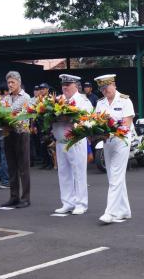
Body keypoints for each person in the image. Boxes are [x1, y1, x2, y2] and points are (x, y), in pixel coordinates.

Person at [94, 74, 134, 224]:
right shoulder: (100, 103)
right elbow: (97, 122)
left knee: (116, 176)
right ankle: (124, 211)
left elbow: (126, 124)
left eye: (107, 87)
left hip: (122, 141)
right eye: (102, 88)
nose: (105, 91)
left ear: (114, 85)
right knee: (113, 177)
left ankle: (110, 212)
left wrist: (111, 131)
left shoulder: (125, 100)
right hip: (107, 142)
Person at [52, 74, 93, 215]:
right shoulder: (58, 99)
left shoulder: (82, 100)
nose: (65, 87)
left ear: (76, 85)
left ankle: (81, 203)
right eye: (63, 85)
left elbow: (87, 118)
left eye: (68, 85)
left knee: (79, 173)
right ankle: (67, 202)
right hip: (60, 141)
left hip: (75, 141)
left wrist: (69, 117)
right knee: (63, 173)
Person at [0, 71, 31, 208]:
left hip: (21, 133)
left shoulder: (25, 97)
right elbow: (1, 113)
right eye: (9, 82)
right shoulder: (5, 98)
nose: (10, 85)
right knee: (11, 167)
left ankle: (25, 198)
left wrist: (7, 114)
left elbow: (17, 113)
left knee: (23, 167)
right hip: (8, 134)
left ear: (19, 82)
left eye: (12, 82)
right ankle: (14, 197)